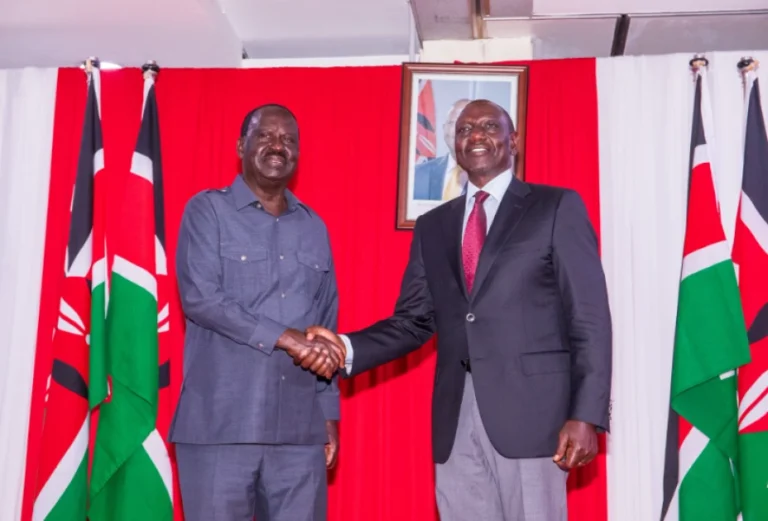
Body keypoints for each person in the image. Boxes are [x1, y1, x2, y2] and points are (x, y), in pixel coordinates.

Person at [306, 99, 612, 520]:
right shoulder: (434, 226)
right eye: (466, 130)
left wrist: (586, 415)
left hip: (534, 420)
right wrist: (344, 347)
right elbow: (413, 321)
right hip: (455, 420)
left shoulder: (555, 207)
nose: (476, 136)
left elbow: (590, 319)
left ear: (513, 140)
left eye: (489, 125)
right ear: (456, 146)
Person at [169, 104, 345, 521]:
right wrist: (286, 337)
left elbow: (326, 326)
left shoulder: (314, 227)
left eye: (288, 139)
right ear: (240, 146)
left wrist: (328, 413)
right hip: (220, 427)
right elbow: (201, 297)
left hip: (299, 434)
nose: (277, 145)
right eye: (265, 135)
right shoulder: (207, 211)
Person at [413, 98, 470, 201]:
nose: (459, 130)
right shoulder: (417, 174)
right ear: (444, 128)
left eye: (467, 125)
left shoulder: (493, 177)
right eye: (453, 123)